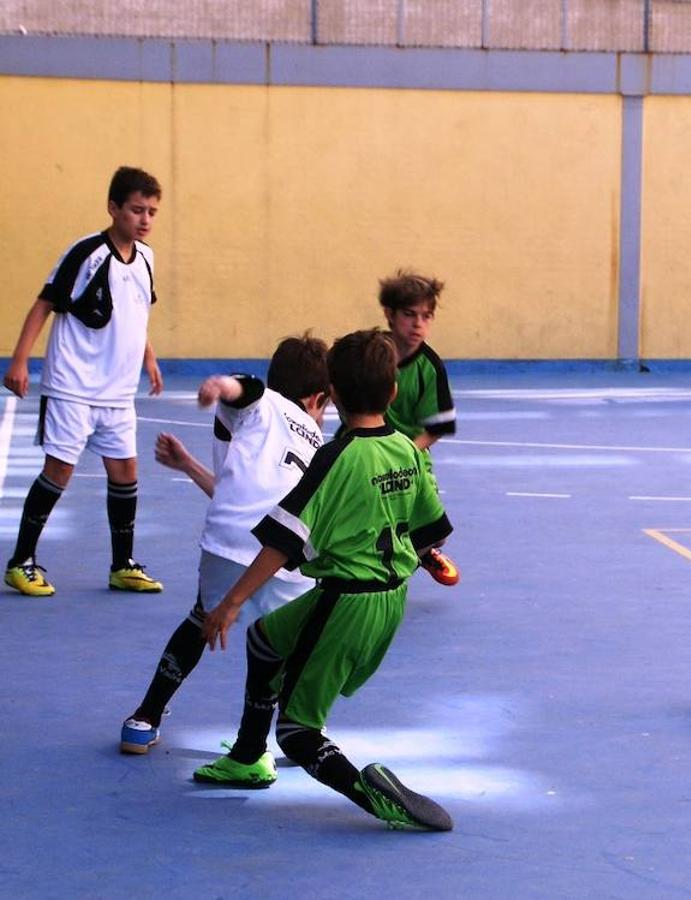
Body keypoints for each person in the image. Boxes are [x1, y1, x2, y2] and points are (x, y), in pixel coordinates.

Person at [191, 329, 455, 832]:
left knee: (297, 733)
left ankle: (375, 798)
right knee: (265, 641)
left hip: (346, 600)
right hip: (390, 595)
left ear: (331, 393)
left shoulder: (335, 458)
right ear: (393, 393)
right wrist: (425, 556)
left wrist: (229, 603)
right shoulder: (407, 449)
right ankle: (247, 755)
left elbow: (282, 543)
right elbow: (428, 528)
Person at [119, 334, 330, 754]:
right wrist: (224, 383)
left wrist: (187, 461)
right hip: (285, 558)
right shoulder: (312, 437)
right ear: (317, 399)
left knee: (200, 620)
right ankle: (264, 743)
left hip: (227, 545)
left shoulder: (256, 416)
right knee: (277, 645)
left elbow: (235, 494)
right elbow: (245, 387)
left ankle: (144, 718)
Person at [3, 166, 166, 597]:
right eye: (136, 210)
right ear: (114, 208)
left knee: (126, 471)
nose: (144, 219)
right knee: (60, 470)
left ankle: (122, 564)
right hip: (72, 385)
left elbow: (136, 313)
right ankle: (21, 562)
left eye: (151, 211)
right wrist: (20, 361)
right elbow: (43, 305)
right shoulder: (87, 253)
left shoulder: (147, 258)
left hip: (117, 392)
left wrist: (149, 359)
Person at [377, 270, 460, 587]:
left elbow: (438, 426)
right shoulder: (370, 352)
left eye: (426, 316)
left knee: (433, 535)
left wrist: (405, 451)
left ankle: (424, 551)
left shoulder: (429, 367)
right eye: (409, 315)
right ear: (389, 314)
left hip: (410, 454)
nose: (418, 324)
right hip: (361, 448)